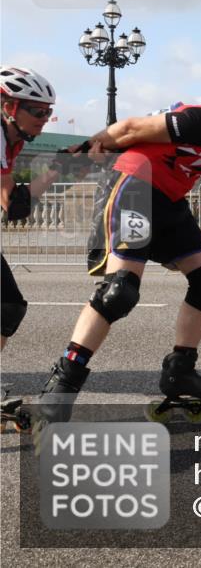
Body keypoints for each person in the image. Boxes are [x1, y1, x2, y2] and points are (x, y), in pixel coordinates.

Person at [34, 79, 201, 426]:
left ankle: (180, 371)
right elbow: (131, 128)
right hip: (135, 187)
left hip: (168, 201)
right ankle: (63, 383)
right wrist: (71, 162)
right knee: (119, 292)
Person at [0, 66, 75, 430]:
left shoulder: (10, 139)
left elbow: (11, 204)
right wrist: (58, 168)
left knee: (8, 307)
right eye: (37, 111)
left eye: (48, 112)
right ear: (9, 106)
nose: (45, 119)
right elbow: (15, 205)